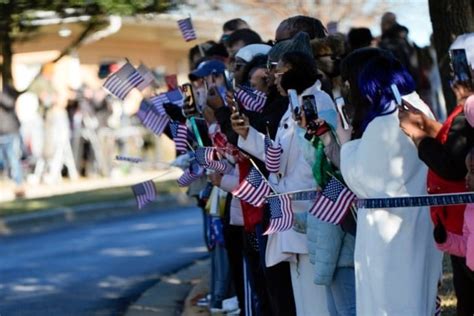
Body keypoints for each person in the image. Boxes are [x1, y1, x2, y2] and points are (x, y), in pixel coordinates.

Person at [232, 34, 335, 316]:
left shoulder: (319, 100)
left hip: (313, 213)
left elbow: (323, 160)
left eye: (278, 70)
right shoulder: (292, 105)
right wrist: (247, 135)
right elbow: (278, 156)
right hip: (289, 215)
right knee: (300, 301)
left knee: (317, 301)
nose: (273, 77)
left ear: (293, 70)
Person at [340, 54, 442, 315]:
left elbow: (363, 182)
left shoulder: (384, 123)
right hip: (416, 221)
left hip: (389, 230)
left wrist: (346, 145)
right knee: (418, 299)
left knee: (390, 303)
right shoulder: (417, 107)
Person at [399, 33, 474, 316]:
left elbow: (453, 164)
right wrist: (431, 127)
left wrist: (418, 136)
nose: (454, 77)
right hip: (461, 225)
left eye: (459, 69)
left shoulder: (470, 106)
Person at [0, 86, 25, 197]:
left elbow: (9, 103)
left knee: (13, 158)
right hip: (2, 132)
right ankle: (9, 180)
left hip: (10, 131)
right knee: (4, 160)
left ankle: (19, 184)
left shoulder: (6, 94)